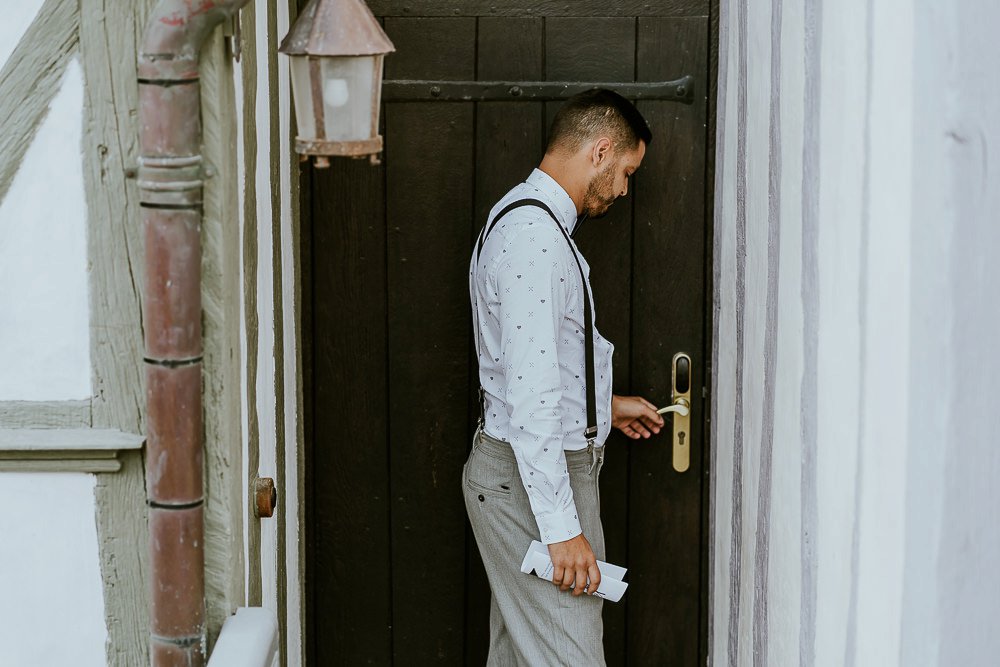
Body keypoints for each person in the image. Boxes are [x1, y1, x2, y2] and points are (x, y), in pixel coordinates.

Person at [463, 88, 666, 665]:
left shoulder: (534, 224)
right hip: (531, 488)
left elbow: (537, 364)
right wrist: (561, 529)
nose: (625, 189)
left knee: (521, 656)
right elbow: (531, 398)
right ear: (601, 151)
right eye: (627, 172)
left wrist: (606, 406)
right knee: (570, 656)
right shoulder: (535, 239)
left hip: (524, 475)